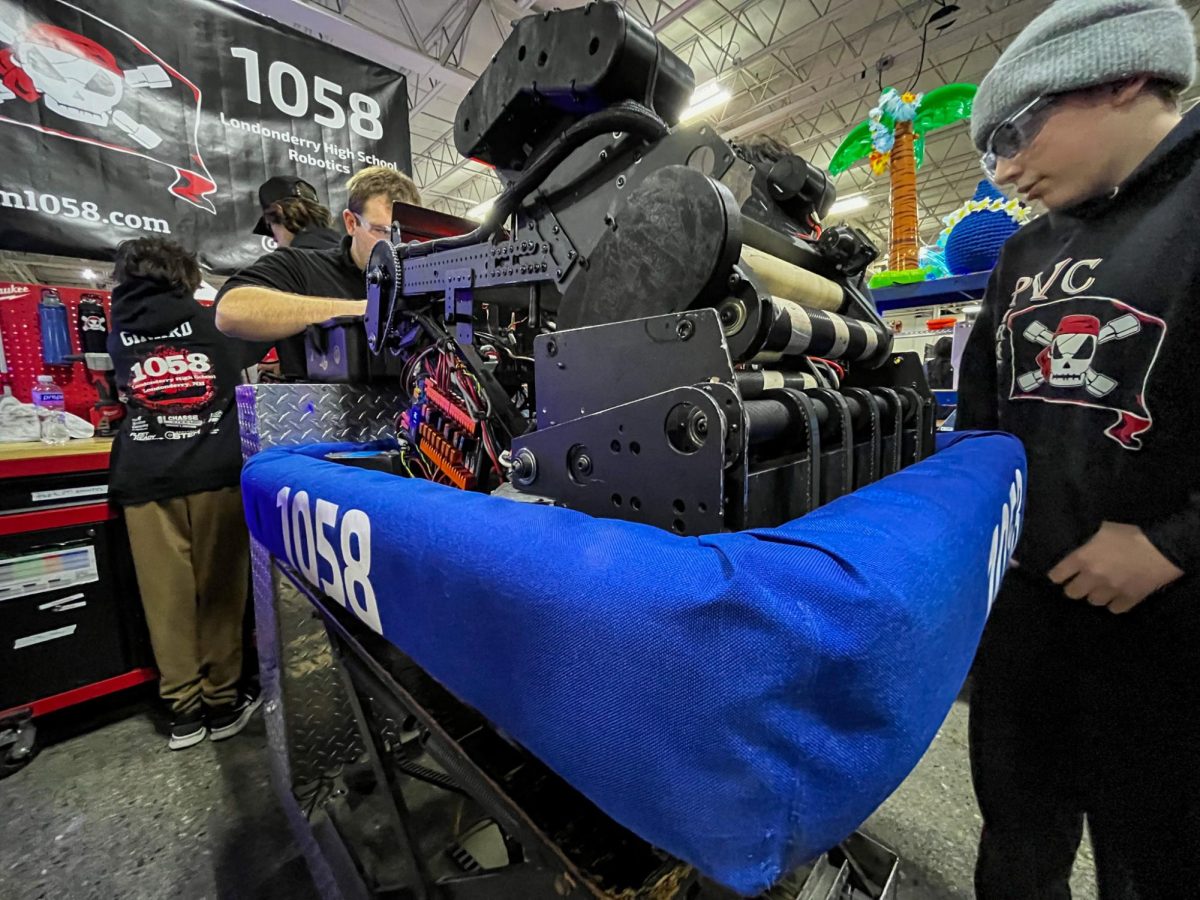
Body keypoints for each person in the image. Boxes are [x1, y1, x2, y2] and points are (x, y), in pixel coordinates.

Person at [958, 0, 1200, 896]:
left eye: (1018, 130)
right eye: (992, 148)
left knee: (1158, 858)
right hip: (1031, 616)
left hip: (1171, 631)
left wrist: (1171, 542)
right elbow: (987, 417)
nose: (1006, 165)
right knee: (1018, 842)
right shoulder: (1023, 252)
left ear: (1121, 75)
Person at [107, 238, 270, 750]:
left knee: (167, 601)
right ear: (186, 274)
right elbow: (261, 340)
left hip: (145, 473)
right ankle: (222, 703)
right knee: (223, 594)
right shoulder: (215, 324)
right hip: (212, 472)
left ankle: (182, 713)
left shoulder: (116, 333)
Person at [216, 166, 422, 346]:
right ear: (351, 223)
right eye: (382, 231)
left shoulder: (419, 280)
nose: (396, 245)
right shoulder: (301, 266)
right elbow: (231, 311)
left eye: (407, 235)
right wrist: (366, 310)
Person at [253, 175, 340, 250]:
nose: (274, 239)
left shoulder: (285, 263)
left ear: (280, 212)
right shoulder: (348, 252)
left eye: (269, 226)